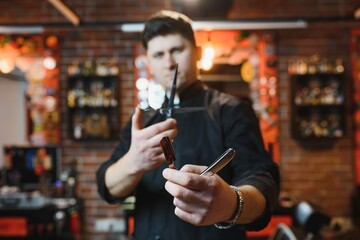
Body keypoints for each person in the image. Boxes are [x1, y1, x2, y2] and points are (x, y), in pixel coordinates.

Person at [96, 10, 280, 240]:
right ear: (149, 61)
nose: (169, 63)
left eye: (177, 50)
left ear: (198, 52)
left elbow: (262, 181)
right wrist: (133, 162)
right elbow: (107, 186)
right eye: (158, 54)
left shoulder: (231, 110)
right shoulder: (144, 121)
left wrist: (231, 204)